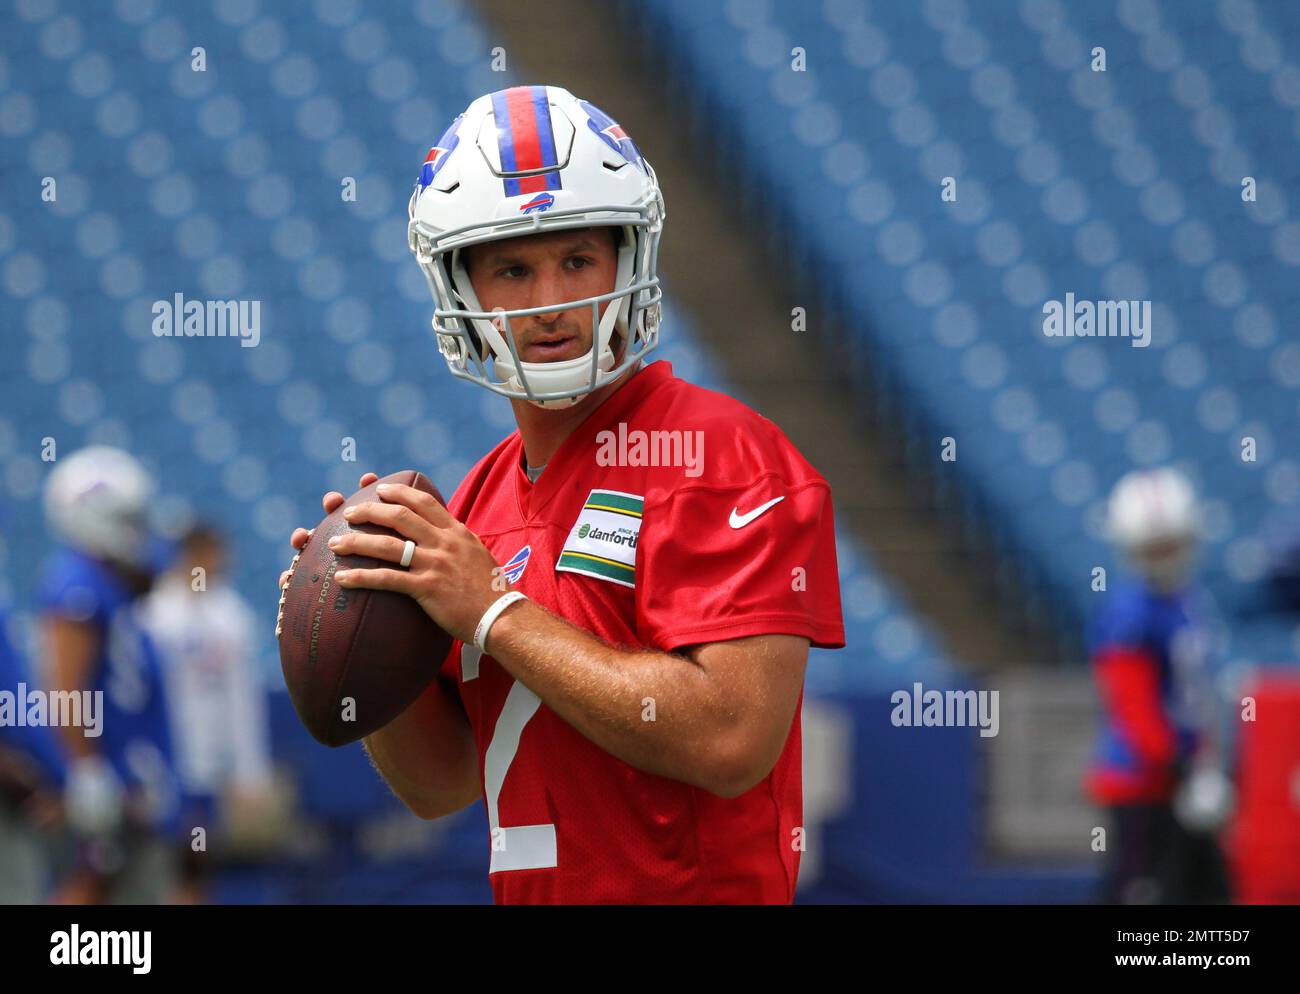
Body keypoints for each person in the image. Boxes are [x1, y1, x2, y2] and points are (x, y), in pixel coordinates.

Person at [280, 85, 845, 903]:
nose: (554, 304)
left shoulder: (720, 454)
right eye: (513, 269)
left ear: (628, 260)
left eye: (578, 260)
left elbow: (731, 739)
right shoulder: (477, 498)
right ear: (461, 290)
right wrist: (359, 623)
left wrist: (493, 612)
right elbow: (439, 785)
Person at [39, 446, 180, 904]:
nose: (138, 532)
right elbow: (65, 689)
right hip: (109, 775)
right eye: (127, 518)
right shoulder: (76, 583)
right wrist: (86, 770)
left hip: (133, 776)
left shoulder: (114, 584)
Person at [1085, 467, 1231, 904]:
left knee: (1205, 890)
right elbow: (1132, 702)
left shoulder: (1185, 601)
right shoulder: (1131, 613)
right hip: (1142, 782)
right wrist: (1174, 763)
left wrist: (1202, 759)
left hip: (1178, 778)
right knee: (1141, 888)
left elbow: (1195, 696)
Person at [141, 523, 274, 904]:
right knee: (153, 864)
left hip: (206, 767)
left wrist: (250, 771)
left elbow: (241, 701)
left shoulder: (230, 617)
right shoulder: (154, 613)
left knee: (197, 863)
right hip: (160, 763)